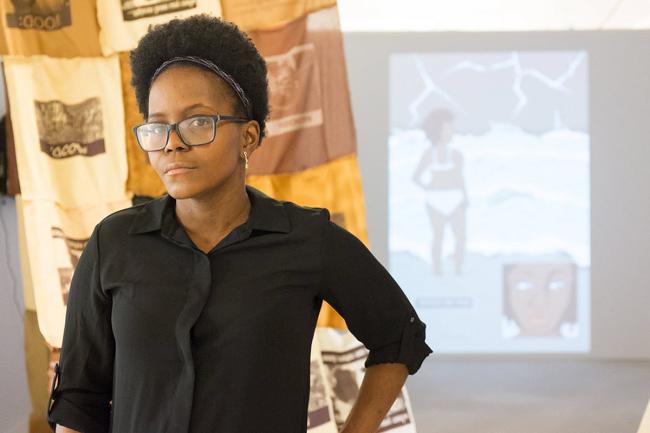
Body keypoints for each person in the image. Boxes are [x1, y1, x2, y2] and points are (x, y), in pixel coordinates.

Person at [48, 15, 432, 433]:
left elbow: (399, 336)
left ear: (248, 137)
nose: (173, 142)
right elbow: (79, 397)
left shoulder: (305, 240)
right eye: (158, 126)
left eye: (197, 122)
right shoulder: (115, 243)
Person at [412, 109, 468, 276]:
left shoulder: (456, 154)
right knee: (439, 236)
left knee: (460, 237)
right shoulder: (429, 154)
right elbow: (416, 177)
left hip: (455, 198)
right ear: (437, 131)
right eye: (447, 128)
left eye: (452, 128)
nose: (451, 132)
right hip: (435, 200)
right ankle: (437, 270)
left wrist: (465, 198)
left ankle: (458, 268)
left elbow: (460, 178)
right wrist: (428, 188)